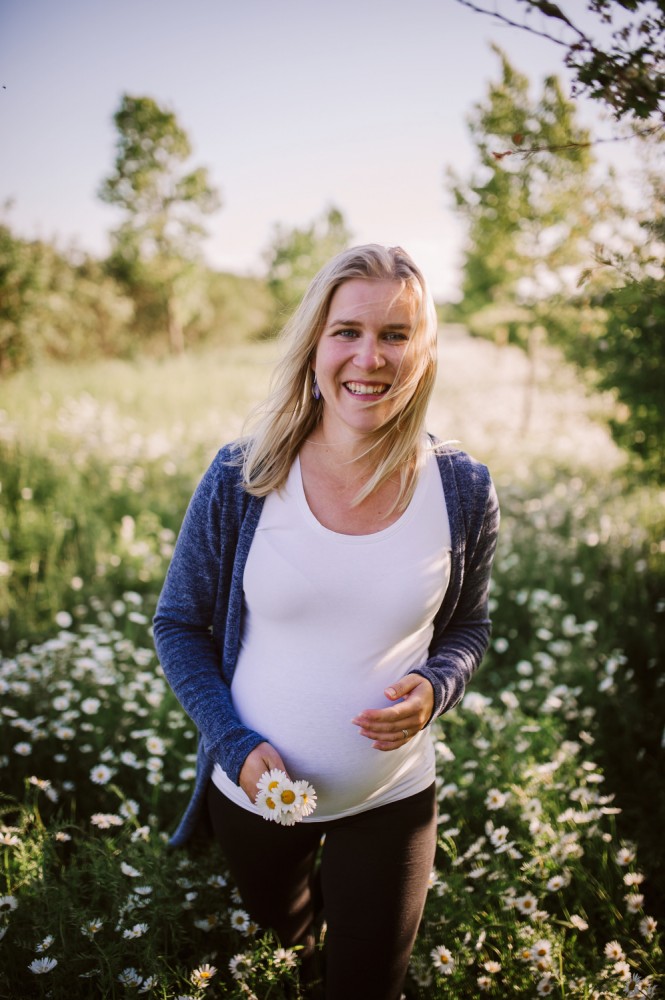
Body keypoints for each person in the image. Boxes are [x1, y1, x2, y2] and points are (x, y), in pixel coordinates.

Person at [153, 244, 499, 999]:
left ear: (425, 351)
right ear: (314, 343)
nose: (368, 358)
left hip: (391, 797)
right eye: (347, 330)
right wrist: (233, 742)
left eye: (395, 334)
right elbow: (177, 626)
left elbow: (469, 627)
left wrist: (436, 687)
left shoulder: (461, 487)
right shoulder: (242, 476)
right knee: (287, 959)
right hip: (252, 798)